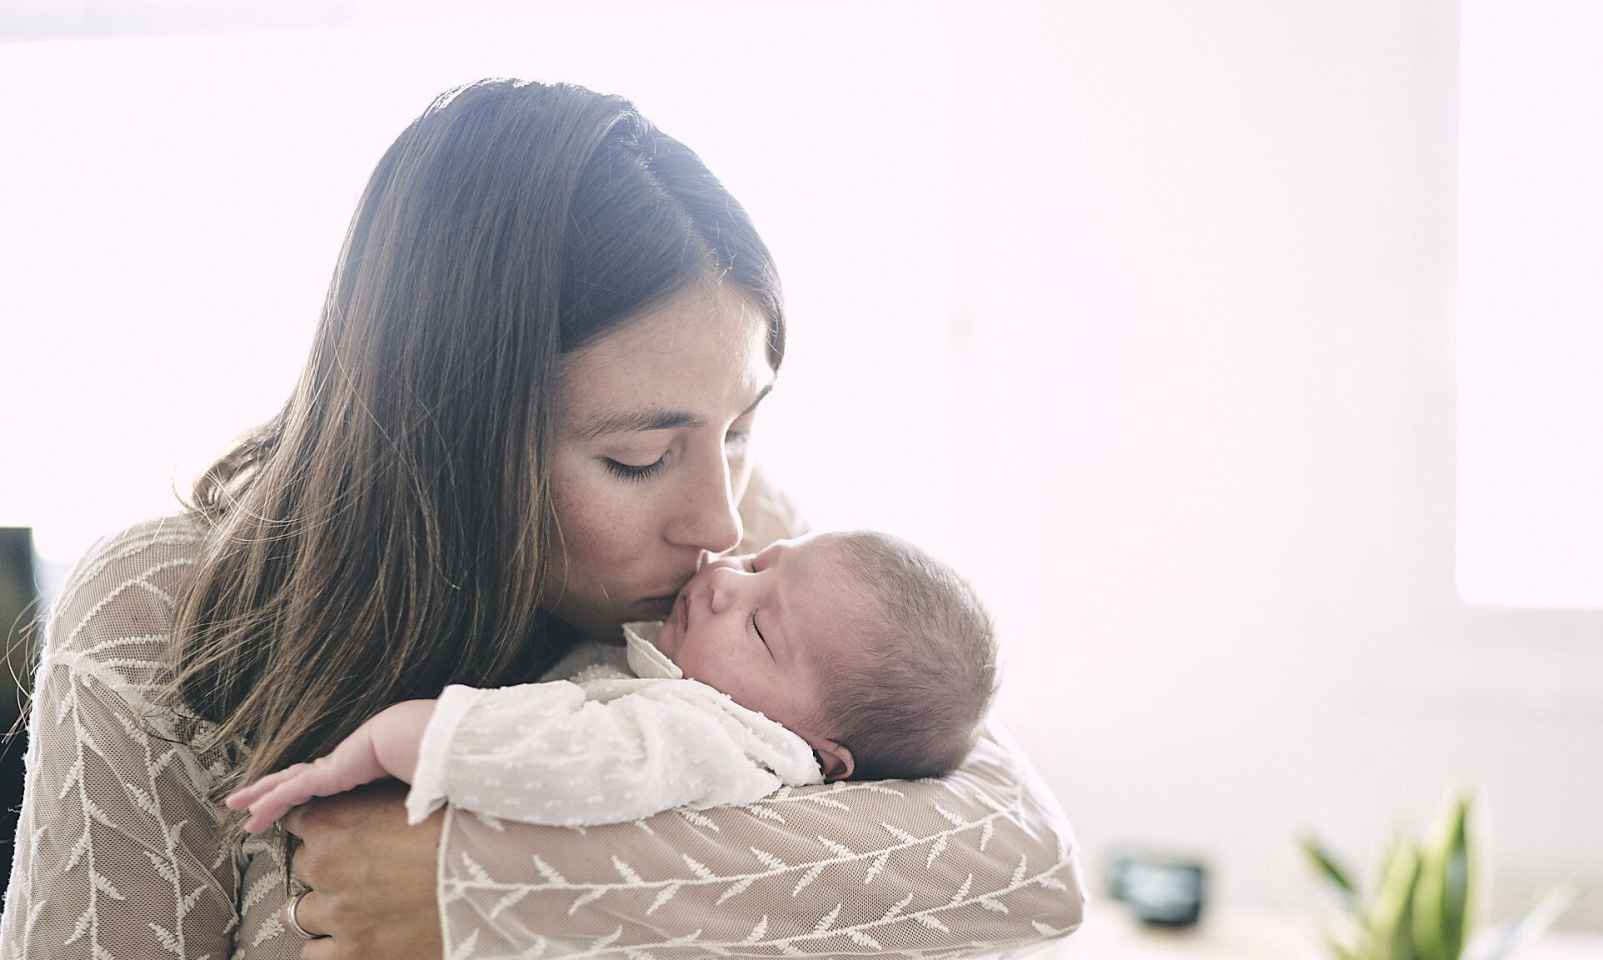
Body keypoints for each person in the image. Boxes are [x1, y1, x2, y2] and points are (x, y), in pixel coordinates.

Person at [0, 79, 1084, 960]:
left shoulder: (754, 553)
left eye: (741, 428)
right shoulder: (159, 609)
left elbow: (1024, 859)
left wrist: (498, 894)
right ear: (446, 433)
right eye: (637, 456)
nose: (718, 518)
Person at [224, 530, 1001, 835]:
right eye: (765, 562)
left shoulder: (719, 741)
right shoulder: (709, 676)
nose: (727, 578)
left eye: (763, 630)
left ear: (823, 757)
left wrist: (367, 748)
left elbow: (564, 757)